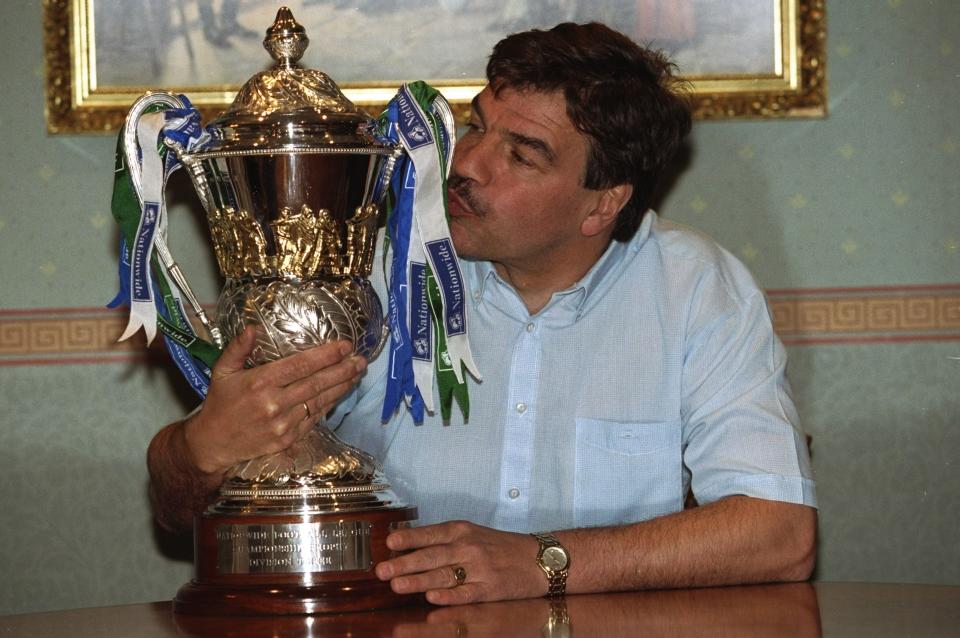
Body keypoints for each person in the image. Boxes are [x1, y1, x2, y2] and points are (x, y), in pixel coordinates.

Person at [147, 22, 817, 606]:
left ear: (602, 203)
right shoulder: (367, 268)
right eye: (477, 125)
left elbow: (781, 536)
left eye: (521, 153)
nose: (466, 163)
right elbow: (184, 510)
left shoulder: (695, 288)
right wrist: (202, 449)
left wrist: (544, 561)